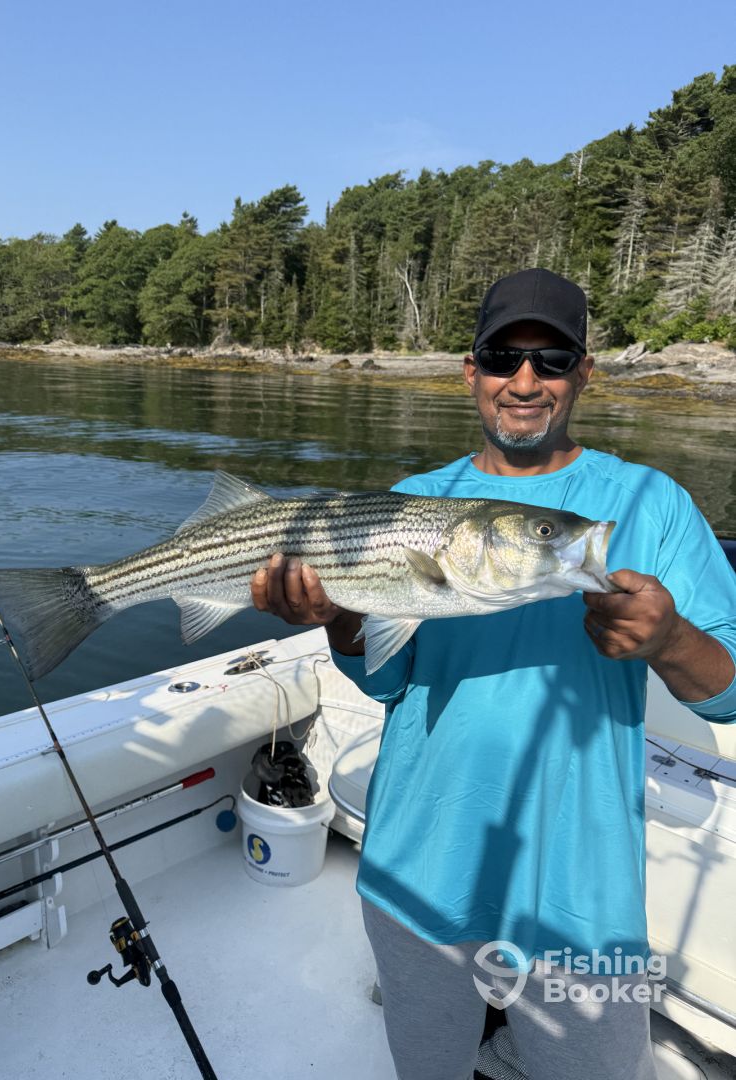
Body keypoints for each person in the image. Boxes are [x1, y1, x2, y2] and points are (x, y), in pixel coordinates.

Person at [250, 268, 736, 1080]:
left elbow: (727, 692)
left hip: (582, 889)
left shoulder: (651, 502)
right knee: (427, 1065)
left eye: (553, 359)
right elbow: (387, 683)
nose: (526, 381)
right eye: (504, 357)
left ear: (585, 372)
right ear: (470, 370)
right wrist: (337, 615)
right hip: (417, 860)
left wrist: (671, 638)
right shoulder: (413, 499)